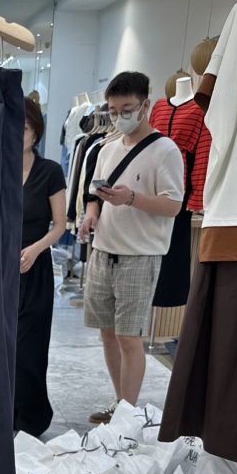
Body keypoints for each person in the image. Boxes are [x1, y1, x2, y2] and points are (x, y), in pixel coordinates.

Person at [80, 71, 184, 424]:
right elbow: (94, 195)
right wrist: (91, 214)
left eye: (126, 110)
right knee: (108, 334)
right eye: (113, 111)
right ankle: (120, 404)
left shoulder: (165, 151)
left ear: (145, 105)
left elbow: (173, 205)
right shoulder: (107, 149)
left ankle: (127, 415)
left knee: (129, 337)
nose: (119, 117)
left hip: (140, 255)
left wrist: (132, 198)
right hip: (103, 251)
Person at [16, 97, 67, 436]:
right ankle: (1, 412)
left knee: (30, 348)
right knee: (1, 346)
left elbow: (60, 226)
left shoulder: (50, 171)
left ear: (36, 131)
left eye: (23, 128)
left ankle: (31, 418)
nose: (16, 134)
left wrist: (35, 250)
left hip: (34, 270)